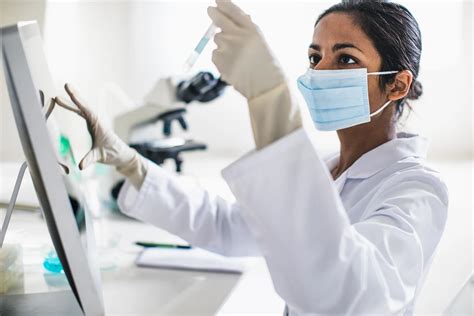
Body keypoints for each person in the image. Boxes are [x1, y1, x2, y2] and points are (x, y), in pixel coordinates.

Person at [55, 0, 449, 314]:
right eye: (315, 58)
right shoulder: (327, 166)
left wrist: (269, 99)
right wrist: (131, 164)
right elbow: (227, 226)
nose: (320, 72)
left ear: (397, 84)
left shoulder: (417, 189)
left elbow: (349, 295)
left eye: (345, 59)